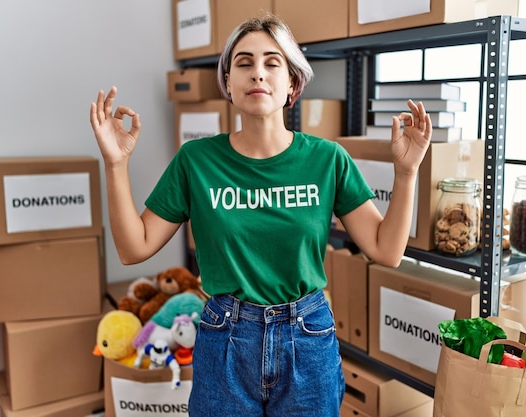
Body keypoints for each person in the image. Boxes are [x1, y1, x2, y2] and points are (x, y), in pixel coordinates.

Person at [90, 13, 432, 417]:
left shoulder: (327, 160)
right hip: (224, 340)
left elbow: (386, 250)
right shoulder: (196, 161)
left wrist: (407, 174)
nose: (258, 74)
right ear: (228, 84)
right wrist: (115, 164)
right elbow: (134, 247)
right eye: (244, 63)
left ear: (292, 83)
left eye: (272, 63)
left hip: (307, 340)